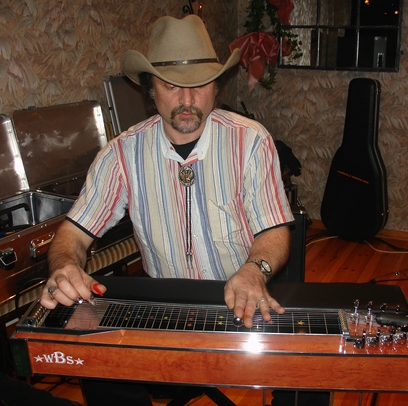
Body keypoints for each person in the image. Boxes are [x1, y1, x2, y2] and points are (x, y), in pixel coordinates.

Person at [39, 14, 327, 406]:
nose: (188, 100)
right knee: (97, 355)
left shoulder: (251, 141)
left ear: (216, 87)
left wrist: (253, 271)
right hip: (165, 305)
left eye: (200, 85)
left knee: (313, 370)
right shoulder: (121, 154)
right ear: (150, 90)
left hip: (244, 292)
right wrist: (64, 266)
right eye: (172, 85)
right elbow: (71, 236)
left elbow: (274, 231)